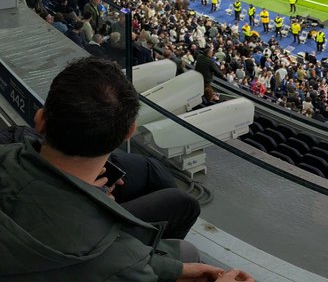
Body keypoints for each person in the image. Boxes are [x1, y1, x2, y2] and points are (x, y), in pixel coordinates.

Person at [0, 58, 254, 282]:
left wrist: (173, 269)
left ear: (40, 120)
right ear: (128, 133)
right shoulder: (120, 261)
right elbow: (116, 263)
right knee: (186, 244)